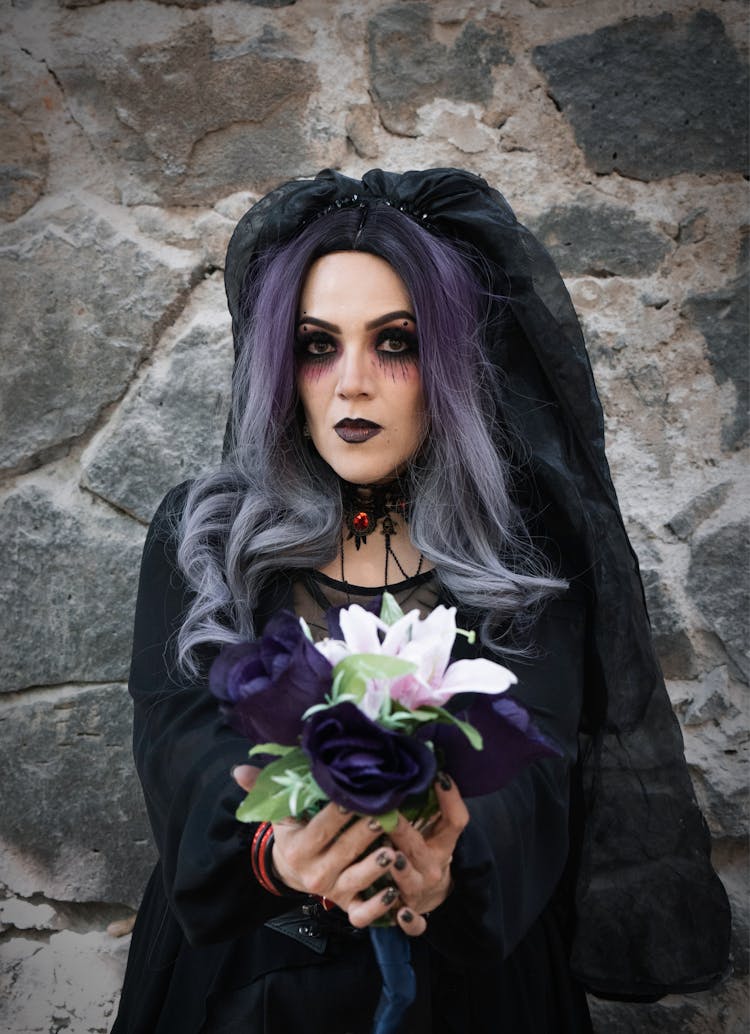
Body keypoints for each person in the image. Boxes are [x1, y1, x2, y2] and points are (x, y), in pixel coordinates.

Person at [111, 168, 730, 1034]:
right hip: (246, 986)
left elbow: (536, 765)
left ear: (451, 359)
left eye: (395, 342)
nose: (352, 383)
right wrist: (275, 843)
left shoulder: (527, 545)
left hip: (469, 991)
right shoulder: (205, 532)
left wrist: (446, 861)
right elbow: (180, 740)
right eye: (317, 344)